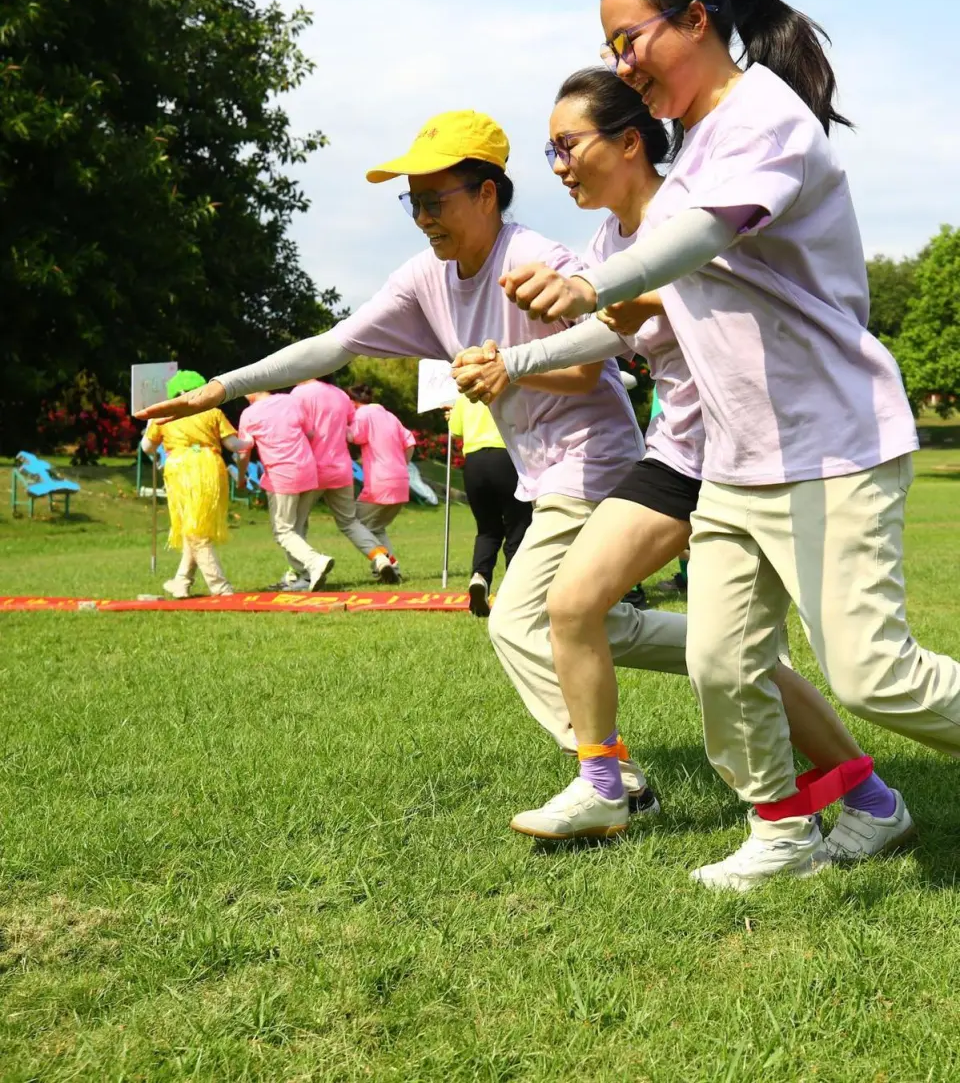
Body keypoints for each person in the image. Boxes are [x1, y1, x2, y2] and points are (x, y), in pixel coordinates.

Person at [136, 110, 890, 857]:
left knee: (520, 619)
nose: (424, 217)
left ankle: (614, 780)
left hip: (596, 462)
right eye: (414, 202)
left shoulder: (542, 257)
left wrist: (511, 365)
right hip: (547, 471)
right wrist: (220, 387)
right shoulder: (425, 278)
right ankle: (744, 675)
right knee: (628, 633)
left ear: (488, 193)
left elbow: (595, 364)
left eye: (437, 200)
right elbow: (333, 344)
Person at [493, 0, 960, 889]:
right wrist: (536, 343)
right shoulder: (698, 144)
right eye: (610, 48)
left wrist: (588, 281)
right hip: (739, 460)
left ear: (696, 19)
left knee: (873, 676)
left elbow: (696, 241)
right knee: (720, 660)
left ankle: (845, 811)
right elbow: (648, 303)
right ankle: (783, 830)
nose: (623, 63)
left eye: (630, 41)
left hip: (832, 443)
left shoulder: (765, 117)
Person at [141, 369, 244, 599]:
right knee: (195, 528)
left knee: (195, 531)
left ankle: (220, 587)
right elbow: (234, 445)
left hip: (179, 469)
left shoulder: (165, 415)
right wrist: (251, 440)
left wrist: (152, 434)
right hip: (210, 468)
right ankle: (182, 582)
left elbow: (147, 448)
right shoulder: (213, 412)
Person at [292, 378, 400, 583]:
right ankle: (380, 557)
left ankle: (303, 573)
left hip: (313, 469)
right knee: (350, 522)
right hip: (341, 469)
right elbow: (351, 427)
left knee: (296, 525)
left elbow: (293, 426)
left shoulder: (299, 393)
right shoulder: (342, 396)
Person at [237, 390, 335, 592]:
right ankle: (306, 578)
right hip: (307, 470)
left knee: (282, 531)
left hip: (282, 475)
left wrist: (241, 478)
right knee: (297, 528)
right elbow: (310, 433)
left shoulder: (249, 414)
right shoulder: (292, 401)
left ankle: (314, 562)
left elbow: (243, 452)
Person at [446, 392, 532, 617]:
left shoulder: (465, 393)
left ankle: (480, 577)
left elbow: (456, 429)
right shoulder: (511, 383)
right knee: (518, 528)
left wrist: (453, 415)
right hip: (506, 459)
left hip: (474, 464)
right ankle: (516, 596)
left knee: (487, 530)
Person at [345, 384, 416, 576]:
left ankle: (381, 560)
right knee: (376, 528)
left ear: (352, 402)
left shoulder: (362, 414)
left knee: (352, 522)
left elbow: (352, 436)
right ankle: (392, 567)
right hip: (401, 480)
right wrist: (401, 464)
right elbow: (410, 442)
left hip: (379, 481)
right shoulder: (390, 416)